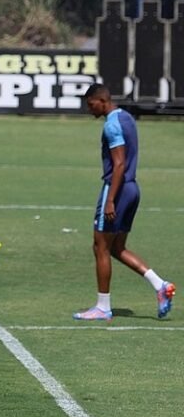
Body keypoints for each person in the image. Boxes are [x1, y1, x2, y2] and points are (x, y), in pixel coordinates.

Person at [73, 83, 175, 321]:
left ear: (102, 100)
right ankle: (160, 285)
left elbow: (119, 164)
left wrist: (110, 201)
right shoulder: (127, 117)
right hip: (132, 189)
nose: (90, 110)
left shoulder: (111, 125)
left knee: (100, 246)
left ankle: (102, 307)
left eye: (91, 105)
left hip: (117, 189)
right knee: (116, 248)